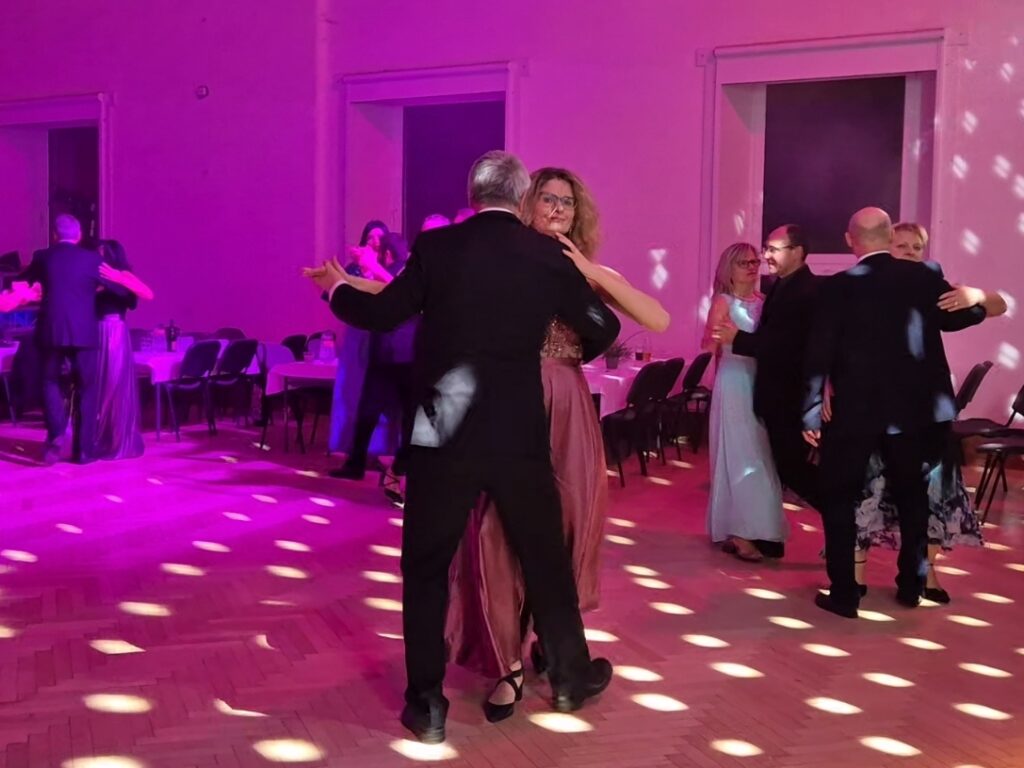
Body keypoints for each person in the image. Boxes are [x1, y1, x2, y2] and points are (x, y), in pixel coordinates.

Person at [305, 151, 618, 743]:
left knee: (426, 564)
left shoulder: (438, 247)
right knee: (544, 558)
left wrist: (334, 291)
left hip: (441, 424)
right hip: (517, 428)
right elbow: (604, 327)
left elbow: (381, 313)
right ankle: (570, 677)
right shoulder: (545, 254)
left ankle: (426, 705)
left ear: (473, 194)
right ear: (521, 196)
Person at [446, 166, 669, 723]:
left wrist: (590, 271)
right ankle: (507, 663)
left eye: (566, 203)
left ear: (577, 214)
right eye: (546, 198)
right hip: (508, 397)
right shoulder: (503, 261)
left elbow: (659, 319)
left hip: (567, 404)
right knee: (496, 532)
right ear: (526, 205)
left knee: (569, 525)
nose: (556, 209)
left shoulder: (584, 272)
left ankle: (552, 643)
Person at [803, 208, 988, 618]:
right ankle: (911, 585)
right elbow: (967, 316)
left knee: (839, 497)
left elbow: (819, 351)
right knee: (913, 497)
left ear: (850, 240)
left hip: (855, 411)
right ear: (889, 238)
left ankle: (845, 594)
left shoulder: (837, 286)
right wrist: (977, 299)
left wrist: (812, 408)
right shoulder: (923, 277)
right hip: (916, 412)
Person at [848, 222, 1006, 602]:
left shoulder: (929, 283)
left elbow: (997, 305)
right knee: (867, 493)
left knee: (922, 497)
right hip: (875, 409)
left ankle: (917, 579)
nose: (909, 253)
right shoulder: (862, 284)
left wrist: (975, 294)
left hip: (921, 412)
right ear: (886, 247)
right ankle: (856, 577)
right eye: (901, 246)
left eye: (916, 248)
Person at [713, 225, 822, 556]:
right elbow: (714, 342)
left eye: (771, 250)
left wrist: (738, 339)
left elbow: (786, 346)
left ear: (797, 252)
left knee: (788, 468)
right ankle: (761, 533)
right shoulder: (781, 287)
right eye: (764, 250)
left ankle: (844, 518)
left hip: (786, 396)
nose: (763, 258)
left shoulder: (804, 290)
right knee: (763, 463)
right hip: (751, 387)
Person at [21, 214, 130, 465]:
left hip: (52, 329)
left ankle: (56, 433)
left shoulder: (42, 257)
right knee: (87, 389)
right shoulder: (92, 260)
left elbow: (23, 282)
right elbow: (119, 289)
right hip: (84, 332)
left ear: (54, 235)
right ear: (79, 235)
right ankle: (84, 451)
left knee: (49, 381)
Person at [701, 243, 785, 562]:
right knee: (742, 455)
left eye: (754, 262)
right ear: (729, 269)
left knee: (762, 457)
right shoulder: (723, 301)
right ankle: (740, 531)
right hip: (735, 381)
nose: (752, 267)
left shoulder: (765, 301)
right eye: (743, 263)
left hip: (760, 381)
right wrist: (716, 339)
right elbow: (708, 345)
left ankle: (756, 528)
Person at [327, 219, 396, 476]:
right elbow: (337, 296)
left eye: (379, 237)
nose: (374, 242)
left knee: (382, 400)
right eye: (370, 237)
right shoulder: (354, 269)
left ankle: (380, 452)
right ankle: (349, 449)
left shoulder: (392, 268)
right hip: (358, 334)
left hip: (385, 340)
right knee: (353, 392)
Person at [93, 240, 154, 460]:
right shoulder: (95, 276)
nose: (99, 257)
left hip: (114, 332)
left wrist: (118, 278)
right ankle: (98, 437)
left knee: (114, 382)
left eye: (103, 253)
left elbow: (148, 294)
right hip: (95, 331)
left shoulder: (124, 275)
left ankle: (117, 438)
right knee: (98, 385)